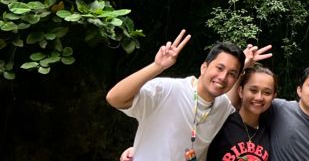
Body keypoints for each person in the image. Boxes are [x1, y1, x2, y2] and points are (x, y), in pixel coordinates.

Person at [106, 30, 245, 161]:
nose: (223, 77)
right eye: (219, 68)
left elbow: (234, 98)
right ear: (204, 67)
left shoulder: (222, 105)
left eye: (232, 74)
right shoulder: (166, 90)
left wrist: (247, 64)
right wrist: (157, 66)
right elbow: (115, 98)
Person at [208, 65, 277, 161]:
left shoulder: (272, 130)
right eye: (253, 90)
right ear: (240, 91)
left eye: (267, 92)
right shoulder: (222, 121)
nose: (259, 97)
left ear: (273, 97)